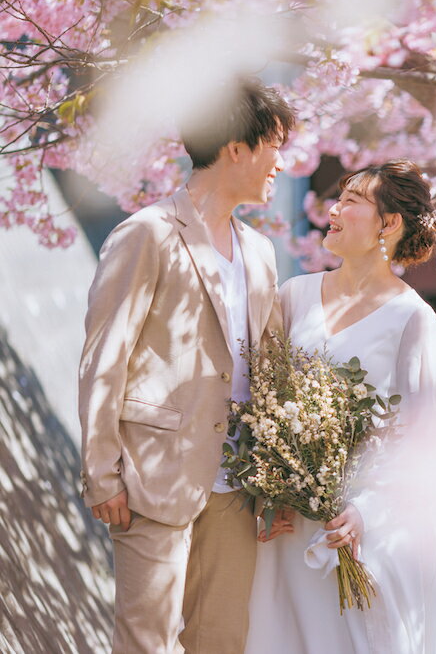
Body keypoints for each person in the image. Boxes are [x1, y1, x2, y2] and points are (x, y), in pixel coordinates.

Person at [78, 76, 295, 653]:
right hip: (154, 478)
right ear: (237, 148)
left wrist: (275, 478)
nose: (282, 164)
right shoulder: (147, 234)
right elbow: (105, 356)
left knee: (221, 641)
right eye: (276, 146)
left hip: (237, 486)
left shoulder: (261, 252)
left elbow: (267, 371)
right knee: (145, 642)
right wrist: (102, 471)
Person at [246, 159, 436, 653]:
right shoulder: (293, 296)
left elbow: (433, 445)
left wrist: (369, 511)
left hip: (371, 533)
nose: (333, 211)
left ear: (389, 223)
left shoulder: (415, 322)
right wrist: (272, 485)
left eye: (352, 201)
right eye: (338, 199)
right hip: (291, 529)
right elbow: (260, 399)